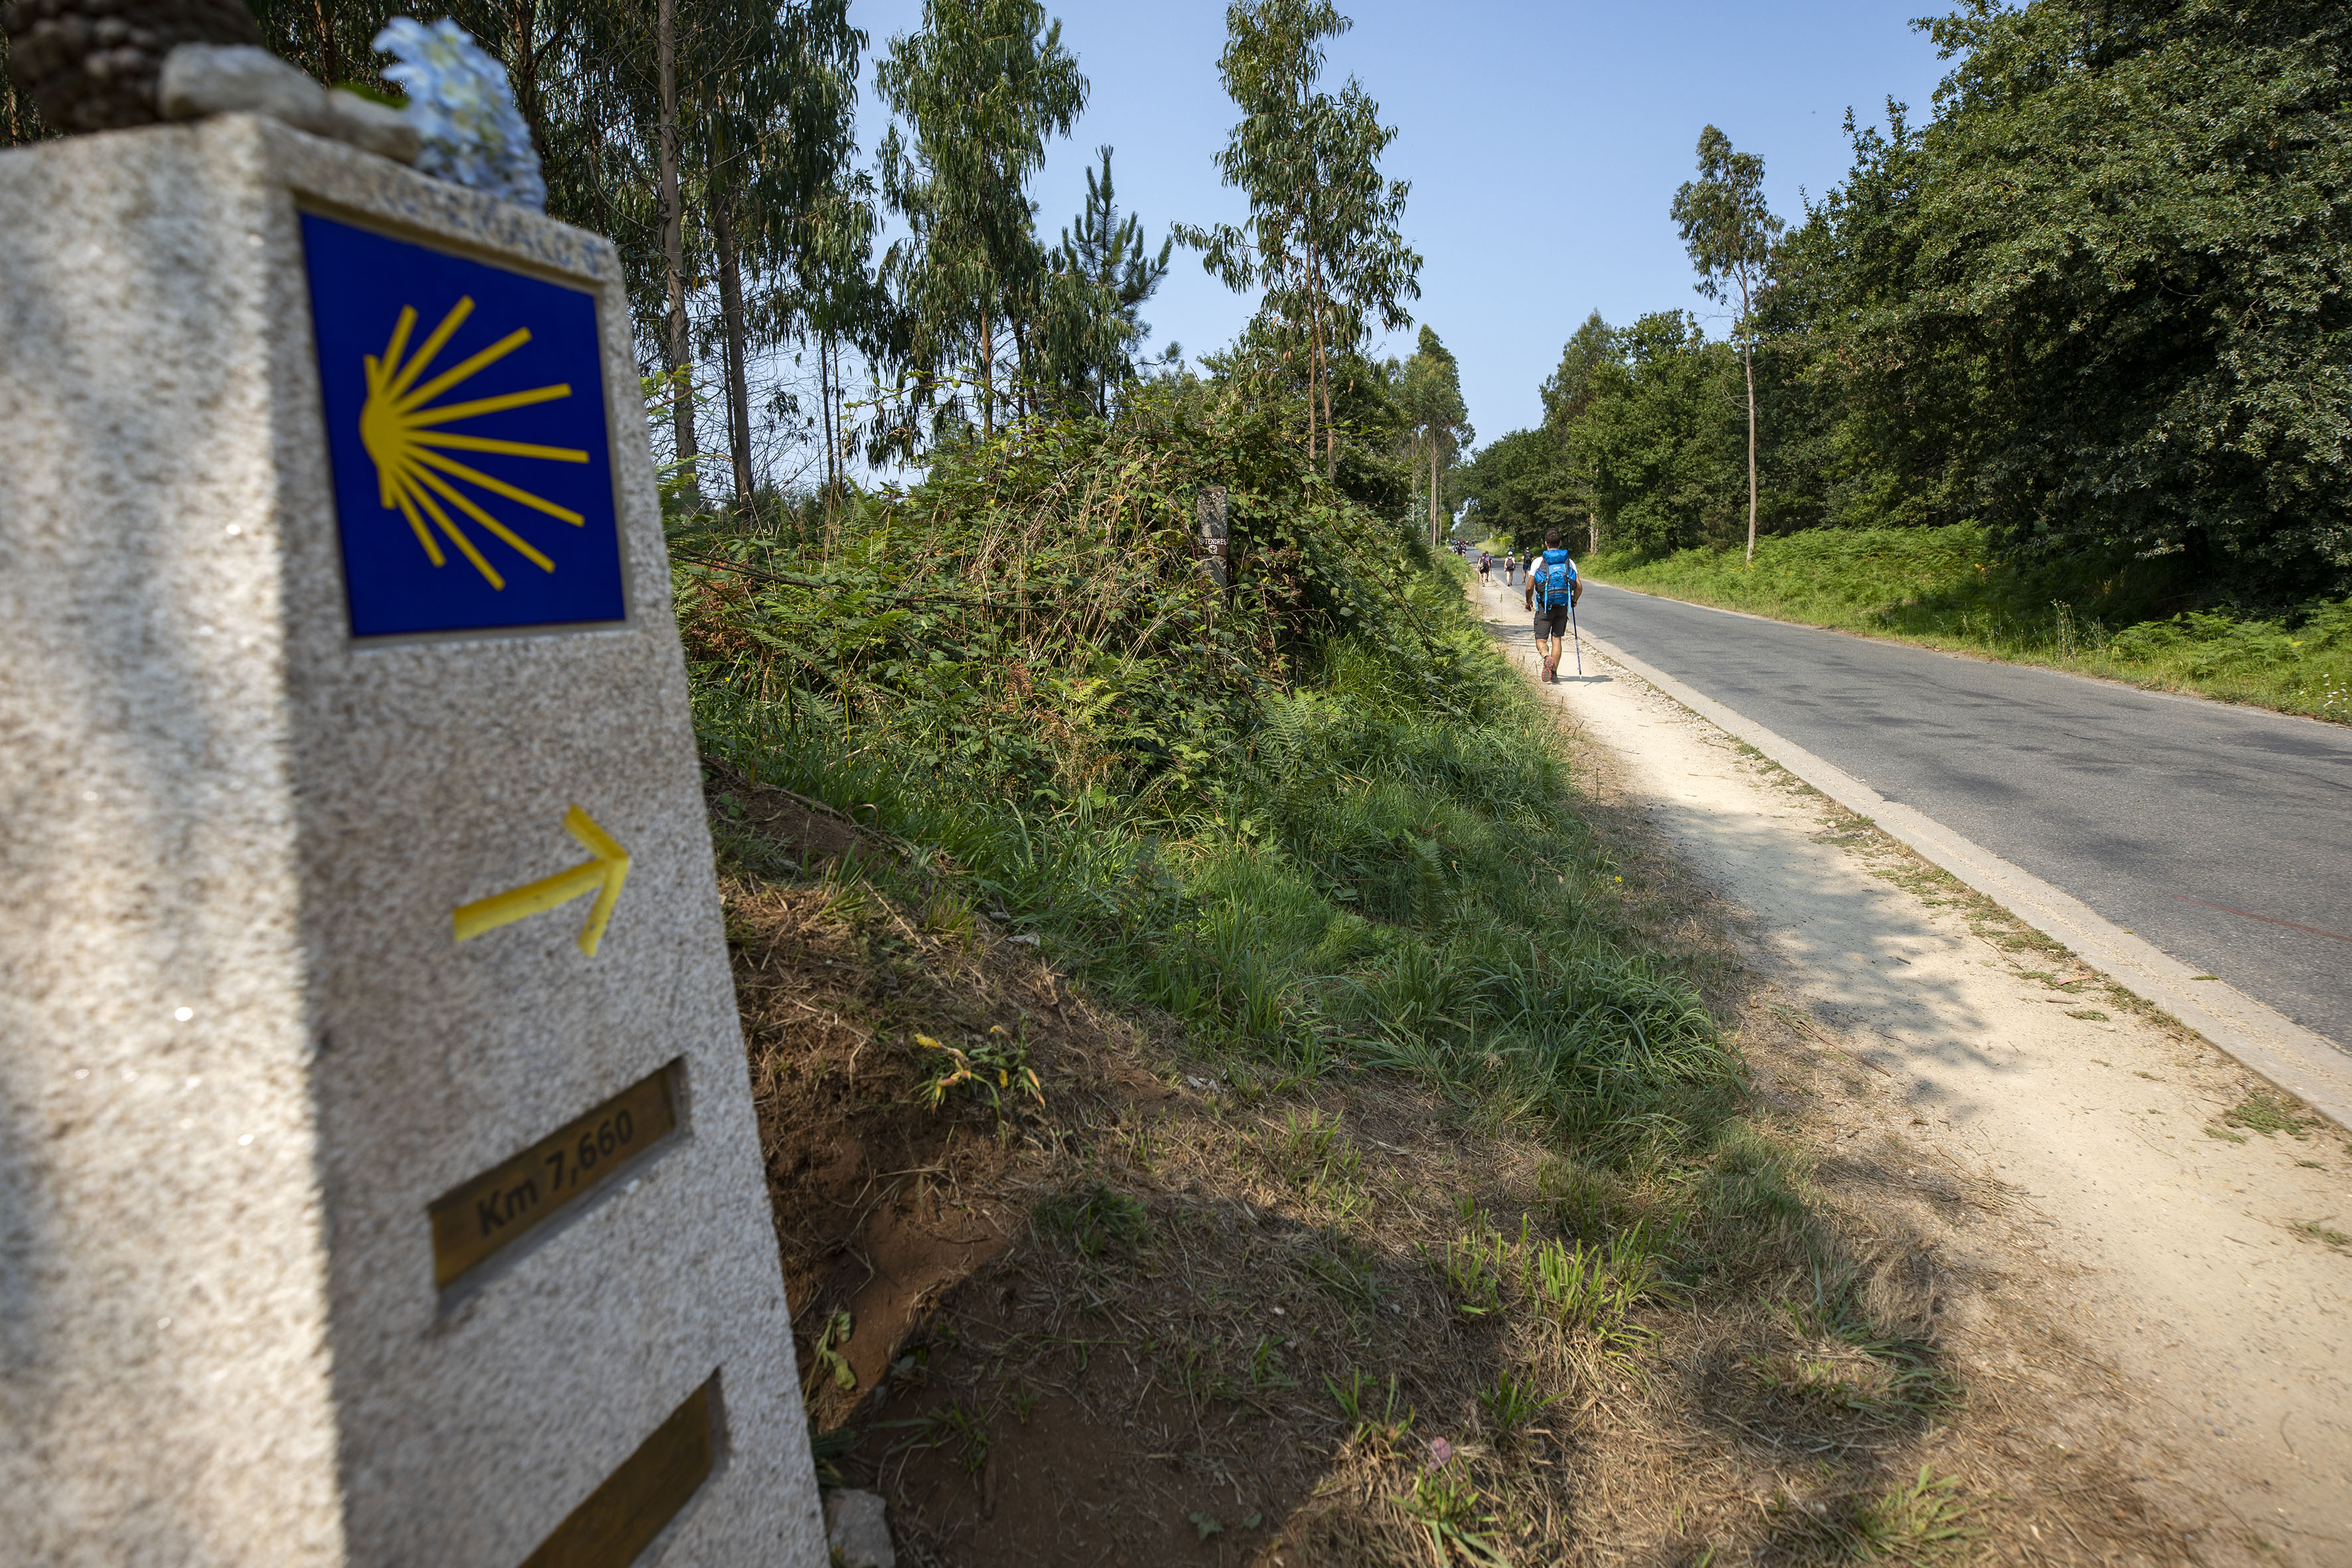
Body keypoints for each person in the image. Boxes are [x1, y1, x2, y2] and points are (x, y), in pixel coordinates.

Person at [1522, 529, 1582, 682]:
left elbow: (1529, 587)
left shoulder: (1538, 562)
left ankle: (1546, 656)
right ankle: (1554, 673)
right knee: (1557, 639)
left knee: (1541, 640)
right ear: (1560, 543)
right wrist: (1574, 600)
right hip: (1562, 605)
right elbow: (1579, 587)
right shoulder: (1569, 561)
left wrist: (1529, 602)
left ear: (1546, 543)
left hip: (1544, 606)